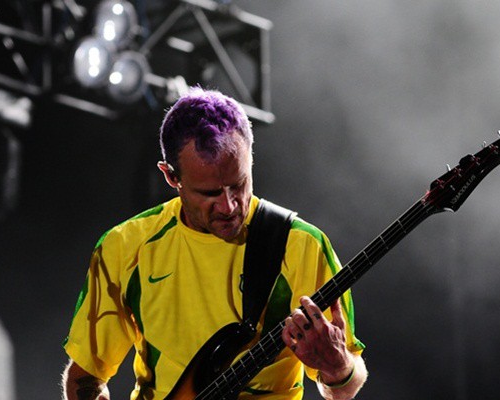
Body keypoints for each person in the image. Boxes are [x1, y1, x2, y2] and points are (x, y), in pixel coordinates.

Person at [61, 88, 368, 400]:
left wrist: (338, 367)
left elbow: (345, 385)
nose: (229, 206)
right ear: (171, 177)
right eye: (209, 193)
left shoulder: (301, 246)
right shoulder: (125, 247)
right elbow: (85, 378)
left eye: (238, 184)